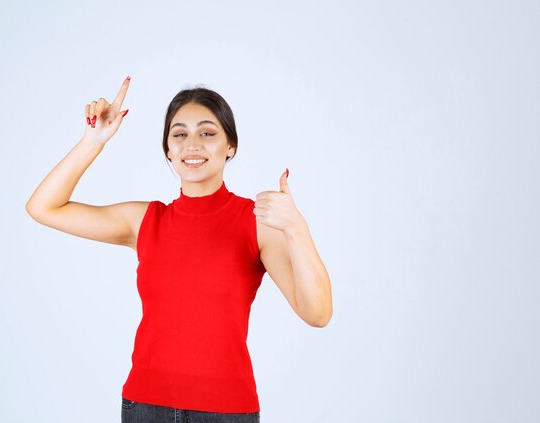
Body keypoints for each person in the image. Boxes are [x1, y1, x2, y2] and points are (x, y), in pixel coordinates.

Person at [25, 76, 333, 423]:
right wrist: (92, 141)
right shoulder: (145, 220)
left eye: (207, 133)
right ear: (168, 150)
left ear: (230, 145)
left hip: (225, 411)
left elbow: (317, 313)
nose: (192, 145)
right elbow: (43, 208)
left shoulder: (256, 222)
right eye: (179, 134)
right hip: (144, 406)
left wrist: (297, 228)